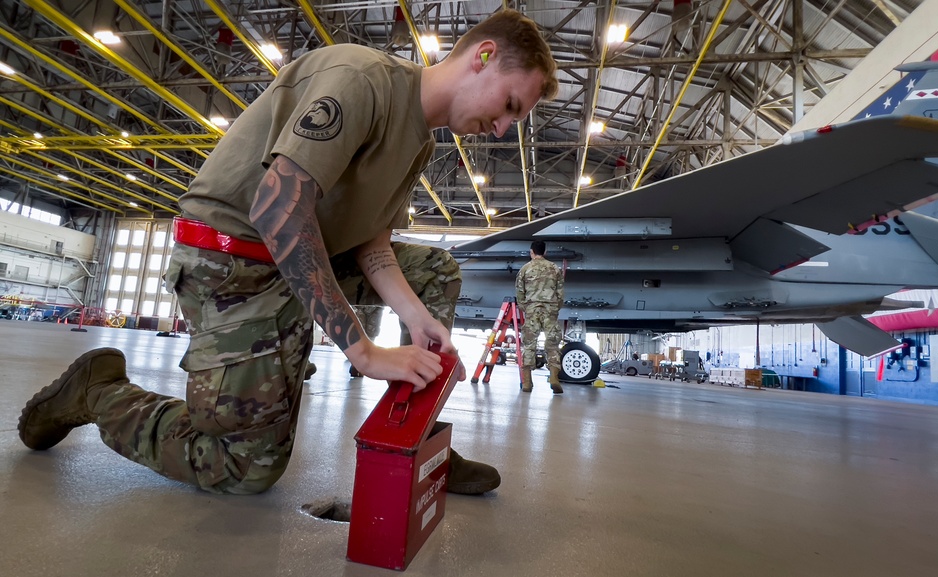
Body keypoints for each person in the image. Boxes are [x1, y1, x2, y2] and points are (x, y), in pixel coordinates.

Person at [17, 9, 559, 496]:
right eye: (511, 105)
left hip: (296, 257)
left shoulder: (420, 143)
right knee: (243, 466)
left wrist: (416, 320)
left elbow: (373, 245)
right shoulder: (362, 79)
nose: (506, 129)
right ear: (482, 56)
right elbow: (279, 212)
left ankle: (410, 440)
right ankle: (99, 393)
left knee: (434, 270)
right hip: (231, 265)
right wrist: (364, 351)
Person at [515, 240, 565, 394]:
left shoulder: (525, 269)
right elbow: (560, 293)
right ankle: (554, 378)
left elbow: (519, 292)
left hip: (532, 309)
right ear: (545, 252)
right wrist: (555, 308)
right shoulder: (554, 268)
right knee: (552, 344)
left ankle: (527, 383)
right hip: (550, 309)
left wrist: (526, 308)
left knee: (529, 345)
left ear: (531, 252)